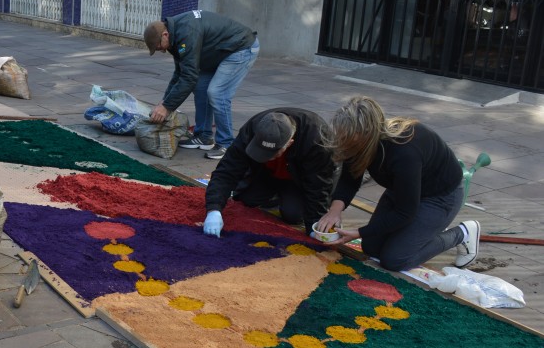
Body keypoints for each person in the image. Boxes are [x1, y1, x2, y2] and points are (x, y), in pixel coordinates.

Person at [316, 96, 481, 272]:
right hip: (403, 190)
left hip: (440, 196)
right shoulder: (360, 141)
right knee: (371, 247)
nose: (343, 141)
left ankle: (462, 233)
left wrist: (360, 232)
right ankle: (425, 227)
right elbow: (350, 179)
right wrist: (334, 211)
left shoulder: (403, 153)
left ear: (365, 134)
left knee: (396, 259)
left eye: (347, 137)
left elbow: (405, 212)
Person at [143, 10, 259, 161]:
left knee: (217, 93)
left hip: (240, 48)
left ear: (165, 35)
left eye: (158, 47)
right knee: (200, 88)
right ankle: (203, 137)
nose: (162, 50)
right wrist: (164, 102)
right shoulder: (174, 35)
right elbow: (180, 73)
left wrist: (167, 107)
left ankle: (226, 144)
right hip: (218, 52)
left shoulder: (186, 33)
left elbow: (188, 77)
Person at [202, 109, 337, 238]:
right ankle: (276, 195)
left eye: (271, 154)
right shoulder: (253, 127)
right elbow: (227, 169)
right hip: (268, 173)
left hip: (299, 179)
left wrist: (314, 226)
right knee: (245, 199)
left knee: (293, 215)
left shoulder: (317, 140)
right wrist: (214, 210)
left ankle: (286, 195)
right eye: (260, 151)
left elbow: (318, 185)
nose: (265, 156)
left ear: (289, 143)